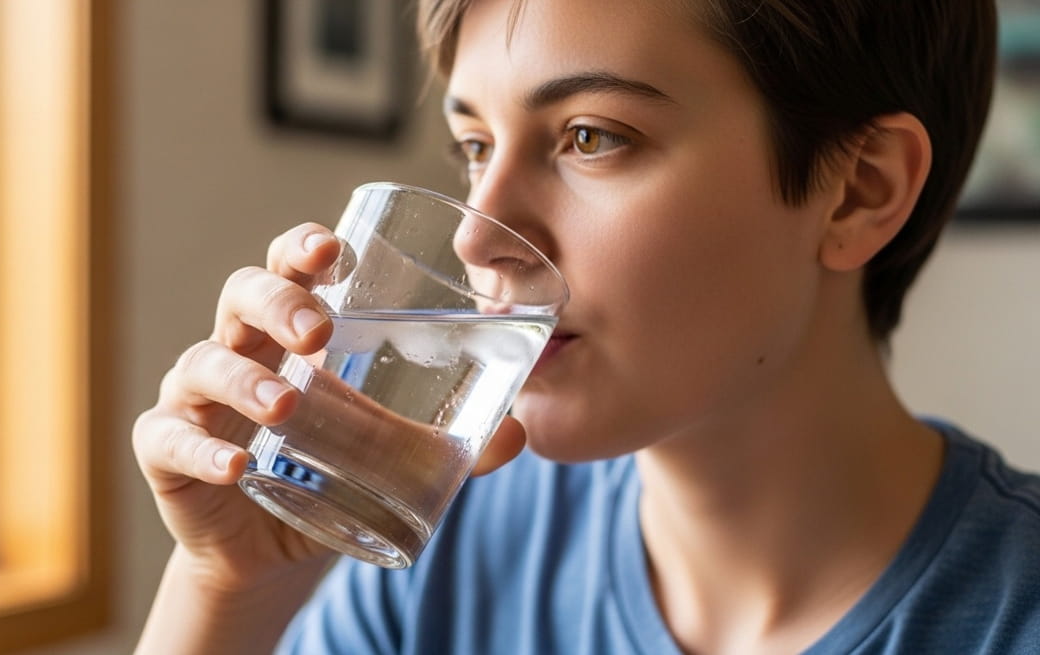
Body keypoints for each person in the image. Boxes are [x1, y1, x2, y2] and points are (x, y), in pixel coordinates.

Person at [132, 0, 1040, 652]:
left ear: (861, 189)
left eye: (591, 137)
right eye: (475, 146)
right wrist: (228, 593)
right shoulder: (450, 556)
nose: (476, 233)